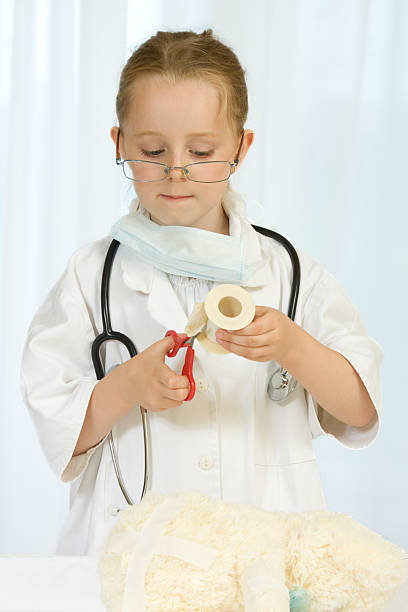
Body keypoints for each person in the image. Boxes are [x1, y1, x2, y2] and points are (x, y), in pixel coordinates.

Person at [19, 29, 383, 557]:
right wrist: (124, 386)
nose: (176, 170)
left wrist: (292, 347)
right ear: (118, 143)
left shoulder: (289, 274)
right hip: (131, 560)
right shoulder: (90, 276)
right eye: (152, 149)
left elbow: (360, 413)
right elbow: (59, 434)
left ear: (242, 146)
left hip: (261, 560)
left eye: (202, 150)